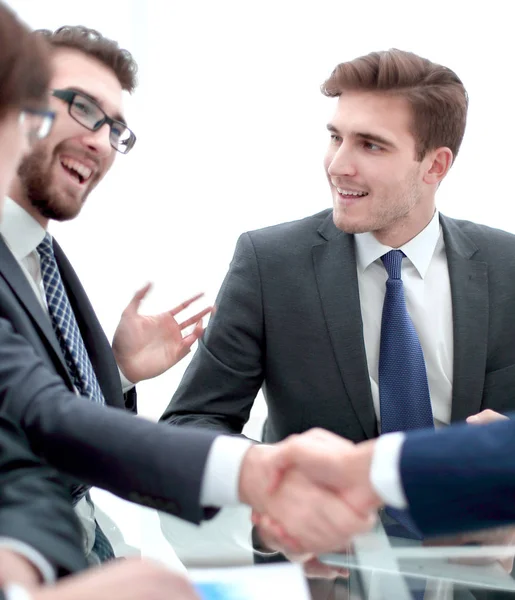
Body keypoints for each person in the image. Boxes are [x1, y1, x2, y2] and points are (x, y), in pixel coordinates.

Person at [163, 47, 515, 441]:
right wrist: (282, 471)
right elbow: (190, 422)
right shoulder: (269, 265)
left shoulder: (508, 267)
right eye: (336, 138)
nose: (337, 166)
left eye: (371, 145)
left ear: (435, 165)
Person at [0, 23, 214, 563]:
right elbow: (38, 423)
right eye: (83, 108)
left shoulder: (41, 255)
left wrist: (114, 374)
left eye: (115, 128)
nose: (100, 141)